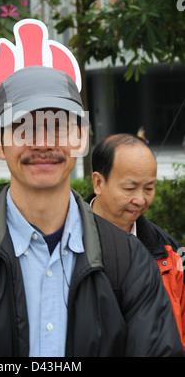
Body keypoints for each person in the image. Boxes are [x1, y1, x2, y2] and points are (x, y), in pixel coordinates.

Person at [0, 65, 184, 357]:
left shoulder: (129, 259)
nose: (42, 142)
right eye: (23, 126)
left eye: (58, 126)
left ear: (81, 138)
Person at [86, 133, 185, 348]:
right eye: (129, 189)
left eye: (149, 188)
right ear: (98, 182)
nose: (140, 199)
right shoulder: (65, 243)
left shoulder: (170, 251)